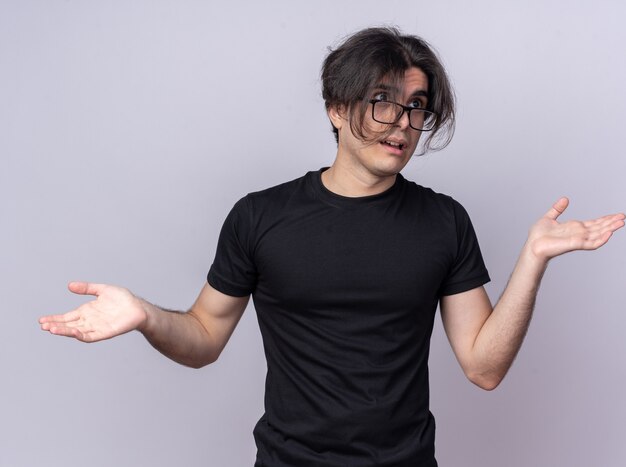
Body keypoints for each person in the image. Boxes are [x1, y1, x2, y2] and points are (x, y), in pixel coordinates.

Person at [39, 27, 625, 466]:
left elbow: (484, 367)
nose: (402, 122)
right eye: (383, 101)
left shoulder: (443, 220)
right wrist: (145, 316)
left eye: (416, 107)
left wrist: (533, 260)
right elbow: (203, 339)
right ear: (337, 110)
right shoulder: (260, 216)